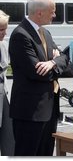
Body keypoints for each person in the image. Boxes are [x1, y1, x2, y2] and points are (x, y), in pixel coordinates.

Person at [8, 0, 68, 156]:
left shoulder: (46, 33)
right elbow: (37, 73)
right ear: (39, 13)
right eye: (52, 11)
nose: (55, 15)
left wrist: (53, 63)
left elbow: (64, 58)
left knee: (46, 153)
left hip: (49, 109)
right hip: (30, 111)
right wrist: (55, 62)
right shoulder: (21, 35)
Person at [0, 10, 15, 156]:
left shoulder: (4, 45)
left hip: (4, 96)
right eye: (0, 30)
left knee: (9, 138)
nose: (4, 33)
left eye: (5, 29)